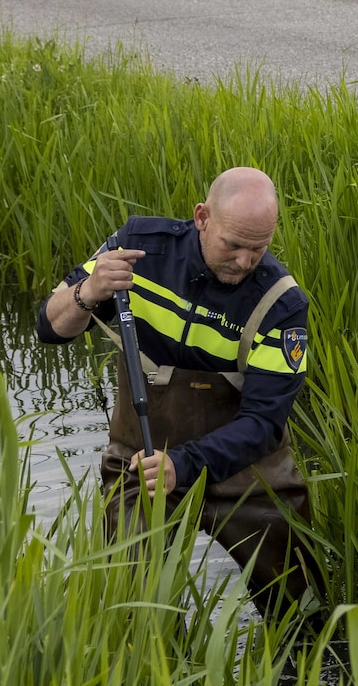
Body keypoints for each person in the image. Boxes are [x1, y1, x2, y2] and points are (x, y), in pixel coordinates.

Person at [36, 166, 315, 609]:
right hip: (139, 463)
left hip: (248, 472)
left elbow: (264, 424)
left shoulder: (281, 303)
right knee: (134, 610)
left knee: (302, 609)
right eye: (234, 245)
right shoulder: (137, 248)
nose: (244, 262)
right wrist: (88, 291)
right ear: (202, 217)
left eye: (258, 248)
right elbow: (49, 327)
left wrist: (183, 466)